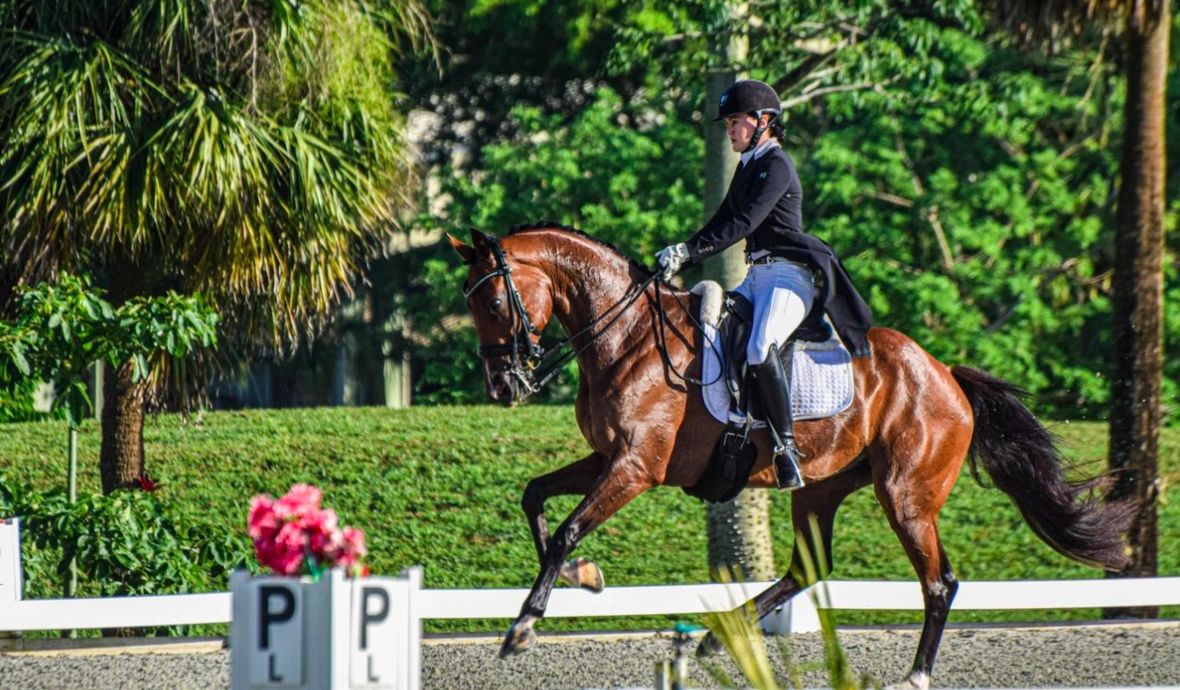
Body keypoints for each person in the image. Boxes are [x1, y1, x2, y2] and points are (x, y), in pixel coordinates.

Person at [656, 79, 873, 490]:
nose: (730, 130)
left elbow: (744, 224)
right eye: (729, 123)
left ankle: (785, 447)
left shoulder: (776, 165)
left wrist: (690, 253)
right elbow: (721, 219)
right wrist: (682, 249)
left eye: (736, 122)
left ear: (764, 122)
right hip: (756, 276)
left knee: (759, 346)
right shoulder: (747, 165)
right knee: (713, 334)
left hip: (790, 277)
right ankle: (732, 426)